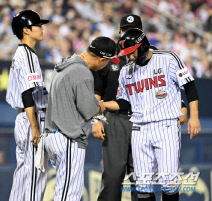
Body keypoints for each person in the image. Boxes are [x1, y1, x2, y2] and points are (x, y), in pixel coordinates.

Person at [92, 14, 188, 201]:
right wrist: (96, 120)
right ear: (120, 32)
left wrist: (182, 105)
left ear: (141, 33)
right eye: (125, 30)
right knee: (113, 177)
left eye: (133, 30)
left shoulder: (153, 55)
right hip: (116, 119)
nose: (128, 34)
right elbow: (97, 91)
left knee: (142, 179)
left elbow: (166, 87)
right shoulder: (109, 57)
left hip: (147, 121)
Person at [42, 36, 119, 200]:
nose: (108, 64)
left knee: (64, 192)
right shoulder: (82, 72)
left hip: (53, 135)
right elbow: (89, 109)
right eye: (108, 61)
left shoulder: (65, 64)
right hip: (68, 138)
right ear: (101, 59)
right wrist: (107, 105)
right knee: (69, 194)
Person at [6, 10, 49, 201]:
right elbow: (27, 93)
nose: (42, 28)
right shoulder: (27, 55)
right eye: (38, 25)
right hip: (31, 117)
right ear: (26, 30)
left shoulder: (22, 53)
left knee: (23, 172)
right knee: (35, 173)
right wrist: (35, 127)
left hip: (23, 118)